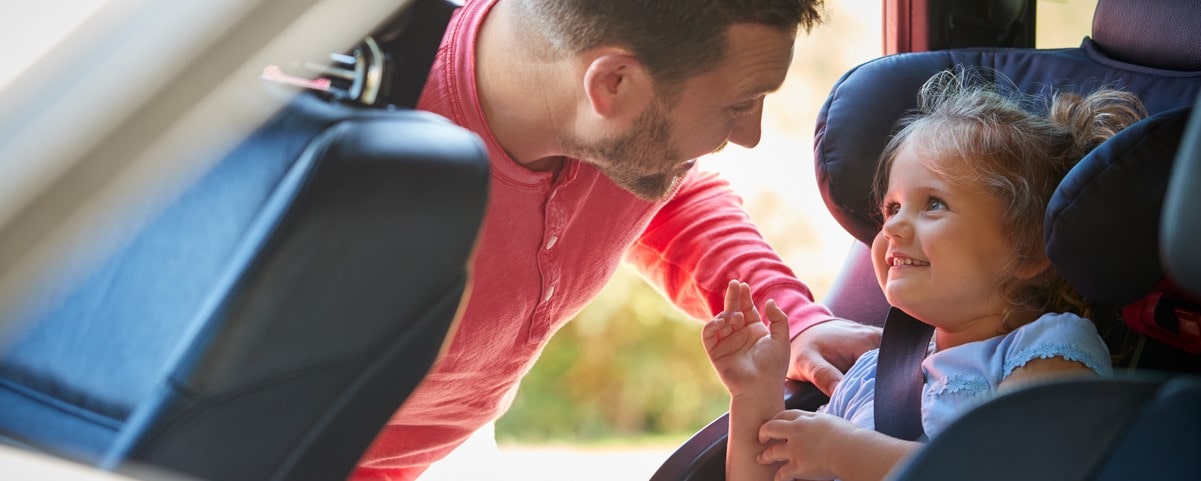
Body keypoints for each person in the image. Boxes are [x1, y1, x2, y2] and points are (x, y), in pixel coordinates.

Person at [349, 1, 884, 479]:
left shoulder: (617, 137)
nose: (750, 135)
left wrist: (793, 316)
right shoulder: (342, 151)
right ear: (612, 84)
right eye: (739, 103)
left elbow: (669, 198)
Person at [703, 69, 1146, 481]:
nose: (891, 226)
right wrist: (755, 396)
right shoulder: (870, 374)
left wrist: (843, 451)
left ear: (1030, 250)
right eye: (892, 207)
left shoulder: (1050, 350)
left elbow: (1005, 471)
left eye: (933, 203)